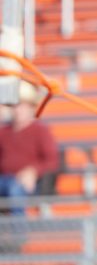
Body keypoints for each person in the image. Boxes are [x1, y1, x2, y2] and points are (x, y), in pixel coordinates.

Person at [0, 82, 60, 218]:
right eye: (15, 106)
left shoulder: (40, 131)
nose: (18, 110)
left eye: (22, 105)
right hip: (4, 180)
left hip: (29, 184)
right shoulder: (3, 132)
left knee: (15, 188)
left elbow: (52, 160)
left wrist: (33, 172)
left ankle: (18, 233)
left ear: (31, 108)